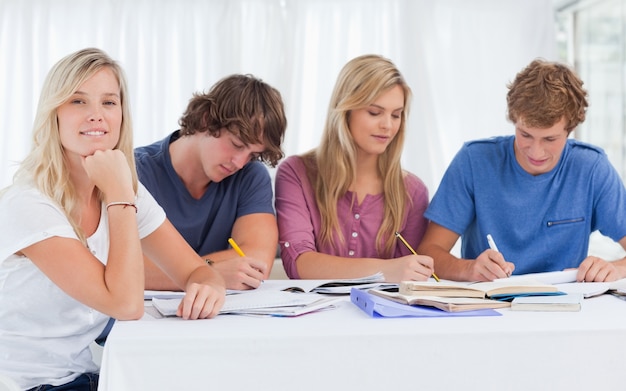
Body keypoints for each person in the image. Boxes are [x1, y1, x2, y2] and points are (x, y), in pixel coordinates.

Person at [0, 48, 226, 391]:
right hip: (23, 382)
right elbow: (126, 304)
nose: (96, 115)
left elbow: (195, 270)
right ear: (54, 114)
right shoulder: (31, 204)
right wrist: (120, 196)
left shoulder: (122, 189)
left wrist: (210, 286)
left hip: (84, 377)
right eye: (78, 102)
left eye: (108, 102)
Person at [417, 58, 626, 283]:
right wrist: (469, 269)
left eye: (550, 139)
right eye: (525, 135)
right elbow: (429, 253)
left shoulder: (591, 168)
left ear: (570, 129)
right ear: (514, 120)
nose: (536, 152)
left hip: (565, 308)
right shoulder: (474, 161)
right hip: (488, 307)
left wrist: (615, 269)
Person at [274, 54, 434, 282]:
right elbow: (299, 264)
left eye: (396, 115)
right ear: (345, 110)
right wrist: (386, 270)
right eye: (374, 112)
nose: (388, 125)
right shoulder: (296, 173)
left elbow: (409, 276)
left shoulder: (413, 191)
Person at [135, 74, 287, 291]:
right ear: (206, 120)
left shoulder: (251, 176)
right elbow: (123, 269)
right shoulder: (135, 172)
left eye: (252, 155)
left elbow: (257, 262)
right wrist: (209, 274)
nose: (240, 163)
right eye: (237, 144)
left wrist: (172, 271)